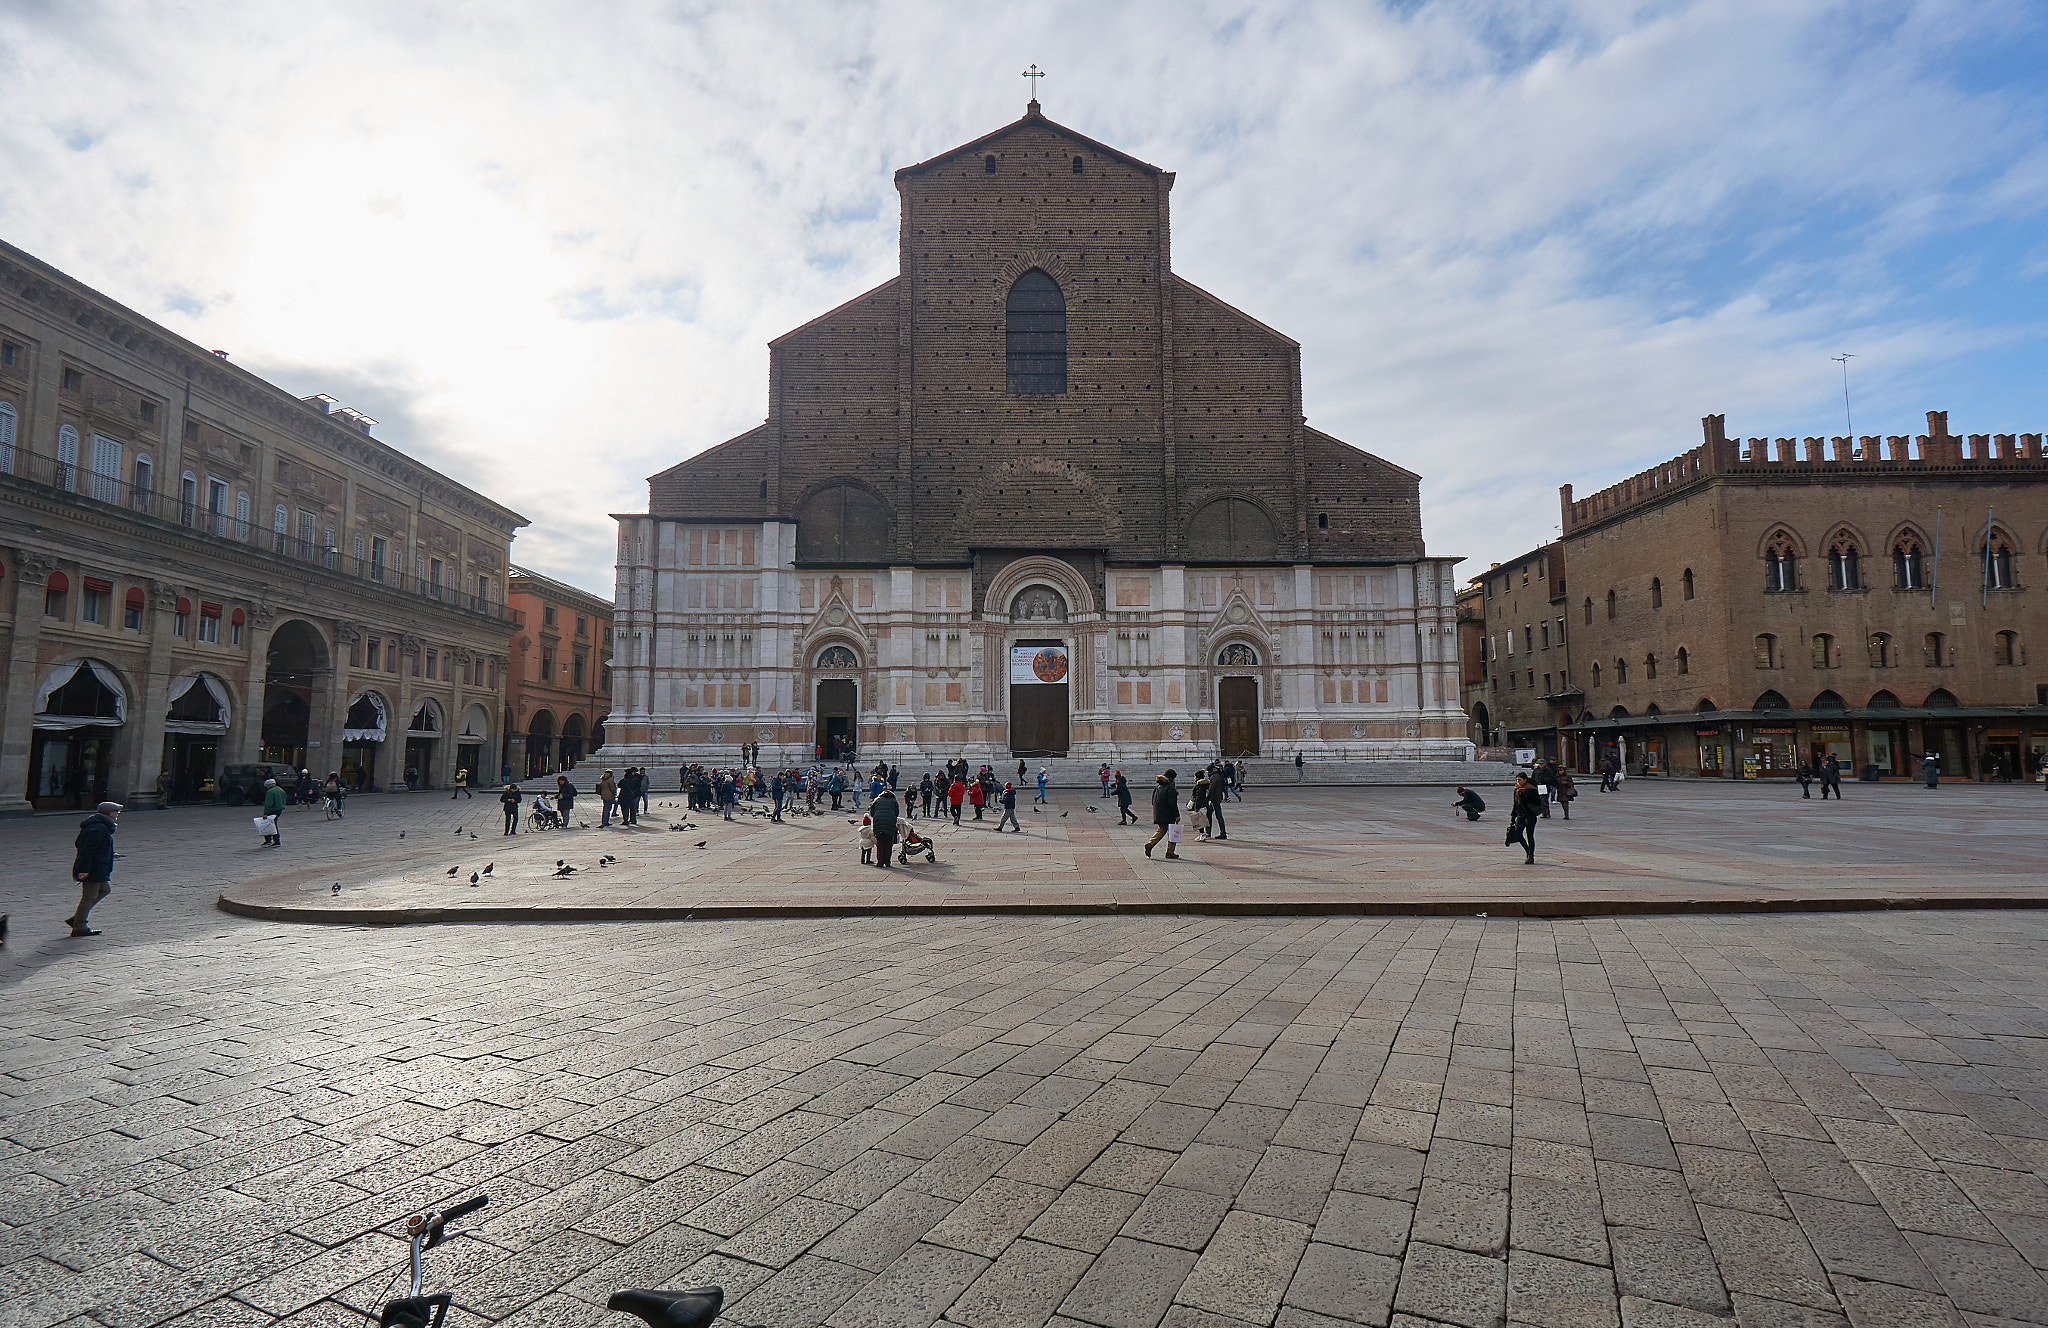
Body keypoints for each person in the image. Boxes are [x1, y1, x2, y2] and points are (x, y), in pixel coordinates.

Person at [66, 801, 122, 937]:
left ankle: (76, 918)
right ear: (109, 813)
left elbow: (95, 847)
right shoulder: (98, 828)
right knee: (89, 896)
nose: (117, 815)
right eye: (116, 812)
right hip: (93, 868)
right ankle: (79, 925)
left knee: (104, 890)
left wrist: (110, 854)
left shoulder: (101, 826)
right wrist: (84, 870)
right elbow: (87, 850)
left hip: (99, 866)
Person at [1145, 770, 1182, 859]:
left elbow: (1153, 801)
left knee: (1161, 830)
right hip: (1168, 814)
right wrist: (1177, 815)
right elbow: (1172, 804)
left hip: (1159, 813)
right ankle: (1170, 852)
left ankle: (1150, 843)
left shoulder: (1158, 787)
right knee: (1172, 832)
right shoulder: (1170, 788)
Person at [1507, 773, 1541, 864]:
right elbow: (1515, 804)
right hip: (1520, 815)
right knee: (1518, 834)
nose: (1518, 782)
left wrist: (1525, 795)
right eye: (1517, 780)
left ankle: (1531, 856)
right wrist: (1513, 817)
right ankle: (1528, 851)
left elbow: (1537, 801)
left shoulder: (1531, 789)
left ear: (1525, 780)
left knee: (1530, 835)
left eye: (1520, 780)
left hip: (1530, 815)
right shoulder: (1516, 789)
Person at [870, 787, 900, 868]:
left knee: (880, 844)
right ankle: (887, 862)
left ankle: (880, 862)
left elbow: (872, 812)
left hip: (879, 823)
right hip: (890, 823)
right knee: (888, 843)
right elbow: (897, 812)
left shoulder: (877, 800)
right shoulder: (894, 801)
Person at [261, 777, 287, 847]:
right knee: (273, 823)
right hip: (279, 809)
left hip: (272, 810)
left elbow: (268, 803)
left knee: (269, 824)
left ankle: (273, 840)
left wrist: (265, 813)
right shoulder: (280, 790)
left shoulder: (270, 792)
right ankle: (271, 840)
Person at [1190, 771, 1212, 839]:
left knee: (1199, 820)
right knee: (1202, 820)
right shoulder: (1205, 784)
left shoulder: (1199, 786)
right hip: (1205, 804)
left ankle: (1202, 834)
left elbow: (1198, 797)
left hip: (1200, 805)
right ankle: (1203, 834)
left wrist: (1196, 807)